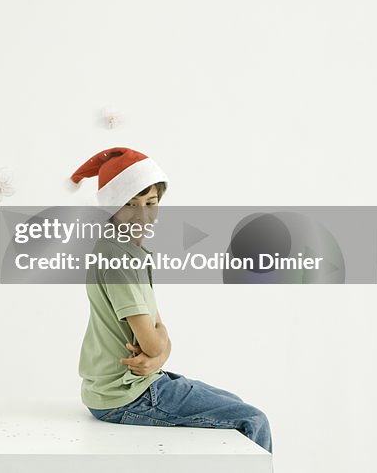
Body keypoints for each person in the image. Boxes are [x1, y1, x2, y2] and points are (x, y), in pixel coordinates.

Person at [72, 147, 272, 453]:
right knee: (252, 420)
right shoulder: (117, 257)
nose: (143, 214)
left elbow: (158, 331)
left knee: (236, 405)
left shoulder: (130, 251)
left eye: (151, 203)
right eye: (130, 204)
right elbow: (152, 343)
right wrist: (159, 345)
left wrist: (160, 346)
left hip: (127, 386)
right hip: (127, 395)